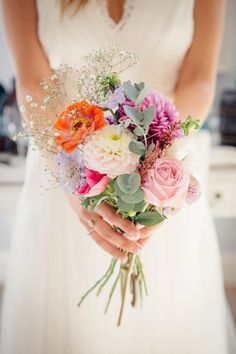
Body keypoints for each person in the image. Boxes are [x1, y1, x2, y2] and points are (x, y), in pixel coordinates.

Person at [1, 0, 236, 353]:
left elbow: (198, 79)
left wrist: (156, 170)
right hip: (63, 185)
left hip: (165, 177)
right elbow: (33, 82)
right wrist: (75, 183)